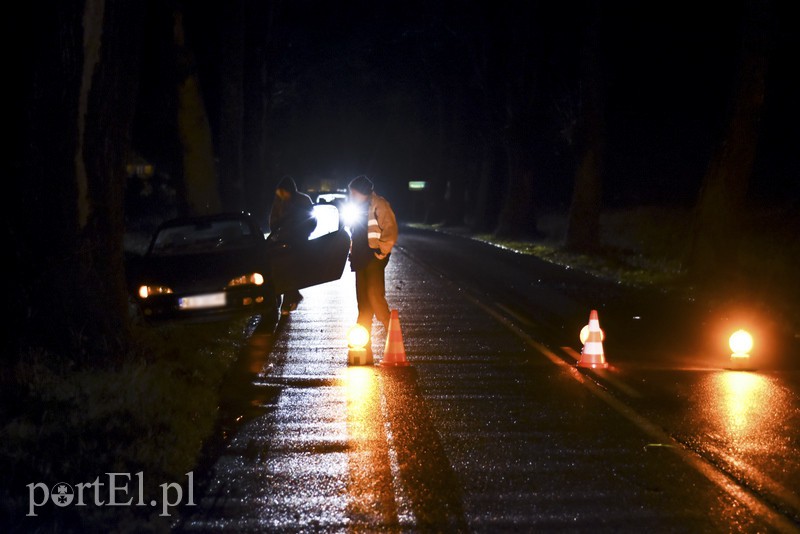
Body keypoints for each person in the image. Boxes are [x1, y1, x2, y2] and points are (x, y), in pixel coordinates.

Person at [347, 175, 398, 337]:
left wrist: (381, 252)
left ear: (363, 192)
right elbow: (355, 234)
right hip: (360, 259)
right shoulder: (357, 208)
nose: (352, 197)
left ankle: (392, 331)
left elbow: (390, 229)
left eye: (354, 194)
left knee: (375, 296)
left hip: (373, 259)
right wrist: (352, 253)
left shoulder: (379, 205)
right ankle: (362, 336)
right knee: (362, 300)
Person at [268, 175, 317, 315]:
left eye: (284, 191)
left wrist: (301, 232)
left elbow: (312, 221)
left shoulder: (303, 200)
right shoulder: (279, 201)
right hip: (282, 241)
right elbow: (273, 221)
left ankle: (288, 300)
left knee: (291, 270)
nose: (282, 194)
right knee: (280, 269)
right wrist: (277, 231)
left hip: (298, 241)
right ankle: (286, 298)